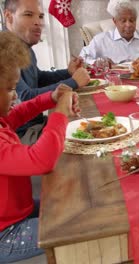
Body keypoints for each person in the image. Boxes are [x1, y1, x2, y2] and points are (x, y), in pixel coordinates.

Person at [0, 31, 80, 263]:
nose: (15, 96)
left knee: (70, 202)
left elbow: (20, 112)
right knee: (74, 222)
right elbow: (42, 160)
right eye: (8, 89)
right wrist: (60, 114)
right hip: (6, 233)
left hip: (18, 210)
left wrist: (51, 98)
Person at [4, 0, 90, 144]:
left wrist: (68, 72)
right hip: (20, 136)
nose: (38, 22)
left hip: (36, 125)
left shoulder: (23, 46)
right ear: (9, 17)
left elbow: (39, 77)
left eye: (41, 16)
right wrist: (73, 82)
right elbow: (24, 97)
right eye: (28, 15)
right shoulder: (5, 52)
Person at [79, 0, 139, 66]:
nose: (128, 25)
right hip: (113, 84)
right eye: (123, 21)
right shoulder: (101, 39)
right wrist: (98, 62)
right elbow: (82, 57)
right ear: (115, 21)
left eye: (132, 20)